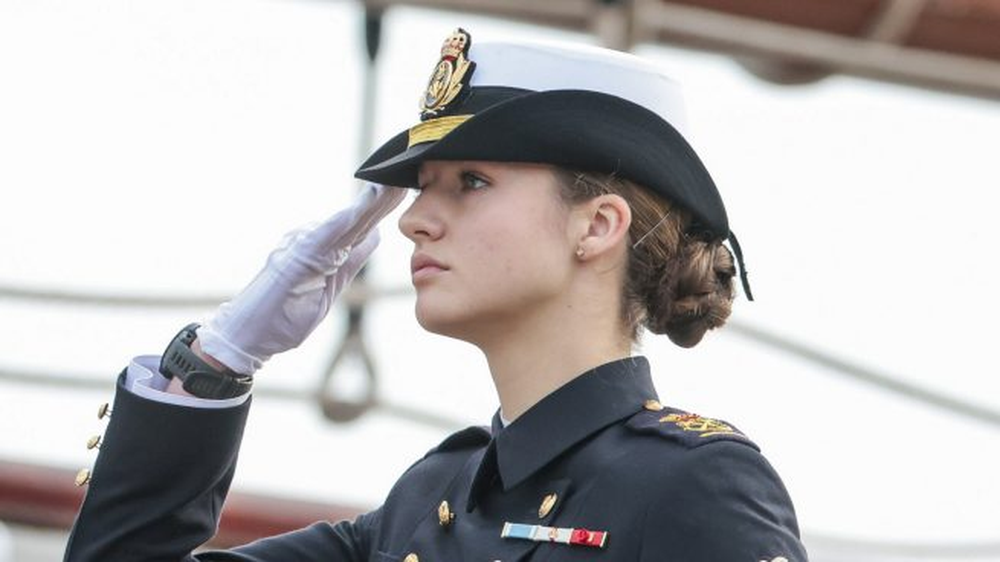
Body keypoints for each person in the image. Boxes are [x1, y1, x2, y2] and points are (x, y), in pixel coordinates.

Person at [63, 28, 807, 562]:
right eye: (423, 188)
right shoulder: (427, 503)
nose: (416, 221)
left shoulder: (693, 484)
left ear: (598, 226)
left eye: (471, 183)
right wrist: (218, 361)